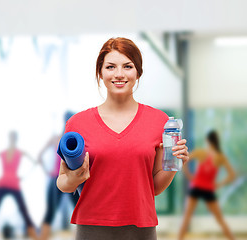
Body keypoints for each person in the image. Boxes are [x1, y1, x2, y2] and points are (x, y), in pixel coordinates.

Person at [56, 37, 189, 240]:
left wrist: (174, 163)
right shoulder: (77, 123)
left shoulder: (159, 121)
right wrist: (73, 179)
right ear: (100, 73)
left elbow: (153, 188)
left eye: (128, 66)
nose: (119, 74)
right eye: (110, 67)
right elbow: (63, 183)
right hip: (92, 228)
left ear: (138, 72)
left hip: (140, 229)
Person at [178, 130, 236, 240]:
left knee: (186, 218)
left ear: (208, 141)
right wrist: (219, 184)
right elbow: (232, 175)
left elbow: (184, 160)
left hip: (196, 187)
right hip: (208, 189)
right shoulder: (220, 157)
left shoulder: (201, 152)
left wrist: (190, 176)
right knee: (220, 220)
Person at [38, 111, 79, 240]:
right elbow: (40, 156)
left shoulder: (74, 139)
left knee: (79, 212)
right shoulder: (60, 139)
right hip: (58, 178)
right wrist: (47, 171)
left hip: (71, 179)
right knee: (52, 212)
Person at [0, 131, 38, 240]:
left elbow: (35, 162)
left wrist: (24, 176)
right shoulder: (4, 152)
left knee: (23, 211)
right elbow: (35, 162)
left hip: (12, 184)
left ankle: (35, 235)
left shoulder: (17, 152)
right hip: (4, 183)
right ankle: (34, 234)